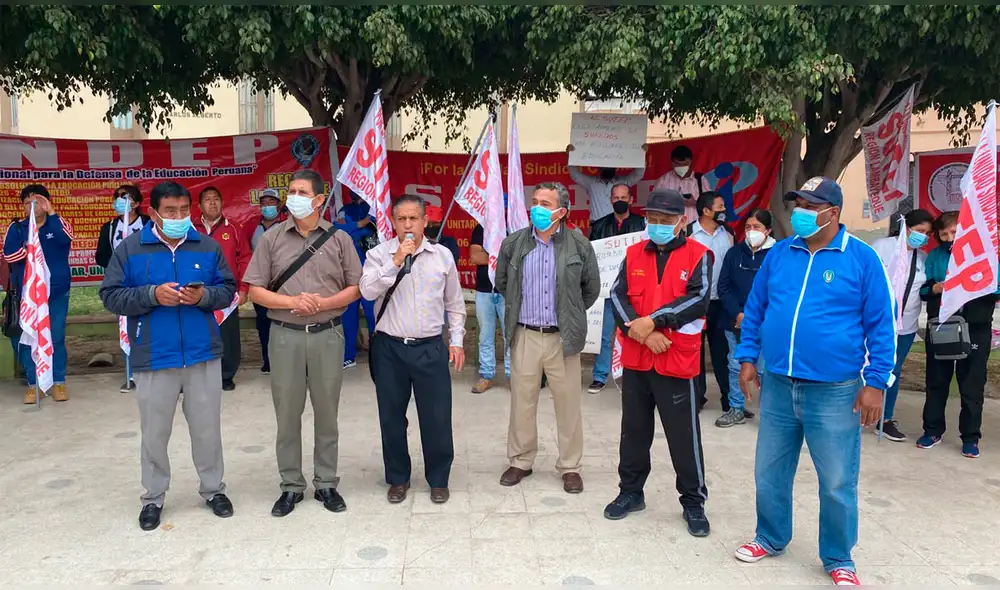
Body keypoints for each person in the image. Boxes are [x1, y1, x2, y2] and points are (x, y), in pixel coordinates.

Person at [731, 177, 895, 587]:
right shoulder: (781, 254)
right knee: (769, 470)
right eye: (797, 204)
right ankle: (770, 537)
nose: (799, 212)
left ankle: (838, 556)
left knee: (838, 479)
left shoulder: (861, 259)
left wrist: (876, 383)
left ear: (832, 213)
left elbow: (881, 324)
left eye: (809, 205)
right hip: (779, 385)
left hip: (835, 391)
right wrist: (748, 356)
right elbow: (756, 308)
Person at [99, 180, 238, 531]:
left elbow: (228, 291)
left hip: (201, 354)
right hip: (153, 356)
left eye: (183, 211)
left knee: (207, 430)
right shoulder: (131, 249)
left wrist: (203, 296)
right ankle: (153, 497)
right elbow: (111, 296)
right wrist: (150, 295)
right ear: (153, 213)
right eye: (170, 212)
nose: (178, 217)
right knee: (154, 434)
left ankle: (213, 489)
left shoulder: (205, 246)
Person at [243, 169, 362, 518]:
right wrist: (292, 302)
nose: (293, 196)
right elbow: (255, 290)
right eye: (290, 190)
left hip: (328, 334)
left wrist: (324, 304)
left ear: (319, 200)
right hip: (284, 336)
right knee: (287, 415)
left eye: (300, 191)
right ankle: (291, 486)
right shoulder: (272, 238)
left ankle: (326, 482)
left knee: (327, 414)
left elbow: (356, 287)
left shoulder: (339, 239)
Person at [603, 189, 712, 537]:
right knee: (633, 432)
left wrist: (656, 320)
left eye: (666, 220)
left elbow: (698, 299)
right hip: (638, 359)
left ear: (682, 220)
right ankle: (630, 492)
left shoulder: (700, 255)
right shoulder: (634, 253)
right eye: (653, 219)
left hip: (675, 360)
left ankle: (693, 503)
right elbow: (618, 297)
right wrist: (643, 332)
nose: (658, 226)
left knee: (683, 436)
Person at [360, 194, 467, 504]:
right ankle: (397, 478)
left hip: (430, 348)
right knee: (391, 417)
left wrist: (457, 341)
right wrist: (395, 262)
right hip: (389, 349)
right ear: (393, 223)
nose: (408, 224)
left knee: (436, 416)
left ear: (425, 221)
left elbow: (455, 304)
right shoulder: (380, 254)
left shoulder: (442, 256)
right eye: (401, 219)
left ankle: (438, 478)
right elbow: (366, 291)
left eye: (413, 218)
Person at [495, 181, 600, 493]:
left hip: (562, 339)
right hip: (525, 334)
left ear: (561, 211)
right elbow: (503, 282)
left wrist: (569, 313)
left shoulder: (579, 246)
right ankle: (520, 461)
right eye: (536, 202)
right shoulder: (514, 243)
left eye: (545, 203)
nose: (537, 208)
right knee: (522, 403)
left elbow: (590, 289)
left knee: (568, 405)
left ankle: (570, 466)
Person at [916, 211, 998, 458]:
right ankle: (932, 431)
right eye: (944, 234)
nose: (950, 237)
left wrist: (975, 284)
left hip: (975, 329)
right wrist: (936, 287)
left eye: (954, 231)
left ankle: (970, 437)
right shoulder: (936, 257)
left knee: (971, 386)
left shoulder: (986, 255)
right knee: (937, 381)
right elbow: (923, 291)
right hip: (942, 327)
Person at [4, 184, 73, 404]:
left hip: (56, 292)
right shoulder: (16, 228)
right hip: (28, 296)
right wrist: (30, 248)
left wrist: (52, 214)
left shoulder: (57, 223)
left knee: (56, 337)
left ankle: (58, 382)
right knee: (27, 339)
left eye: (38, 201)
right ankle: (35, 384)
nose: (33, 206)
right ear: (22, 206)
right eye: (27, 202)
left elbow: (67, 239)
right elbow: (9, 256)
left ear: (47, 203)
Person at [872, 209, 934, 442]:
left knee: (893, 372)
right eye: (919, 231)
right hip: (876, 322)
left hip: (905, 327)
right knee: (862, 367)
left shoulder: (923, 258)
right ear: (906, 227)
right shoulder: (882, 246)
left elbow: (923, 290)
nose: (922, 236)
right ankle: (854, 412)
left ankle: (884, 419)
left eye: (927, 233)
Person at [715, 209, 774, 427]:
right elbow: (724, 286)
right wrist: (738, 313)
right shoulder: (734, 253)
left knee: (766, 368)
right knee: (735, 363)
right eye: (748, 227)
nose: (751, 231)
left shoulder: (777, 254)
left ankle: (769, 412)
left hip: (768, 323)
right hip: (736, 320)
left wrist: (758, 317)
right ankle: (736, 408)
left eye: (757, 227)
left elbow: (781, 290)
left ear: (768, 230)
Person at [587, 182, 646, 393]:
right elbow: (591, 256)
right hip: (607, 290)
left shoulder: (642, 224)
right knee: (604, 335)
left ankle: (635, 376)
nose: (619, 201)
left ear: (631, 200)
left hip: (634, 291)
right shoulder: (600, 225)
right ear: (610, 200)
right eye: (616, 198)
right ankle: (600, 376)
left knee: (636, 333)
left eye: (623, 197)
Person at [193, 186, 251, 391]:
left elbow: (244, 259)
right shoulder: (190, 229)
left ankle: (226, 375)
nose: (212, 203)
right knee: (197, 332)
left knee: (227, 334)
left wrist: (243, 288)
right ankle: (196, 375)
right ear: (199, 205)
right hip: (196, 291)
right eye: (207, 200)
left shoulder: (233, 228)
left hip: (226, 291)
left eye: (216, 199)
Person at [95, 184, 151, 392]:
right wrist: (119, 263)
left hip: (147, 282)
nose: (119, 201)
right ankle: (131, 373)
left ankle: (153, 369)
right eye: (117, 197)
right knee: (127, 328)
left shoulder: (148, 223)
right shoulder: (109, 228)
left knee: (150, 326)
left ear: (136, 203)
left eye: (125, 197)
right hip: (123, 286)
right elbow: (100, 256)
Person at [687, 191, 734, 412]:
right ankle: (696, 397)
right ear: (706, 211)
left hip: (721, 303)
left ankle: (729, 400)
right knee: (694, 351)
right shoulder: (689, 234)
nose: (724, 211)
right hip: (696, 302)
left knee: (722, 352)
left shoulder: (729, 233)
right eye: (720, 207)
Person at [335, 192, 378, 370]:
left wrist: (365, 222)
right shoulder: (346, 210)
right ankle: (348, 355)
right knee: (348, 315)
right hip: (350, 272)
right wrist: (363, 223)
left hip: (373, 271)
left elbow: (382, 229)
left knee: (373, 315)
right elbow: (339, 229)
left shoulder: (377, 209)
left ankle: (378, 354)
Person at [470, 222, 510, 393]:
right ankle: (486, 375)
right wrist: (503, 257)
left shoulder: (514, 228)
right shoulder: (481, 228)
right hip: (484, 290)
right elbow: (475, 257)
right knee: (485, 336)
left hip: (508, 291)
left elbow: (518, 258)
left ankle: (512, 376)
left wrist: (489, 255)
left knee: (511, 337)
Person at [251, 188, 284, 375]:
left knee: (282, 323)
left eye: (271, 202)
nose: (267, 206)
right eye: (264, 203)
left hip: (282, 285)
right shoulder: (252, 227)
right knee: (263, 323)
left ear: (279, 205)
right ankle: (268, 361)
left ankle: (284, 361)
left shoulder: (286, 225)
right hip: (261, 285)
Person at [566, 144, 646, 220]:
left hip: (618, 227)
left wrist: (642, 154)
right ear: (599, 168)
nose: (608, 167)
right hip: (596, 228)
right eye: (605, 166)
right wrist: (571, 156)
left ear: (616, 167)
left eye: (611, 166)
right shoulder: (591, 183)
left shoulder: (623, 182)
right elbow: (575, 175)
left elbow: (638, 174)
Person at [654, 145, 711, 222]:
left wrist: (695, 203)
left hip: (695, 228)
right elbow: (654, 205)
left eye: (685, 164)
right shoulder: (663, 181)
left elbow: (711, 204)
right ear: (672, 163)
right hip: (671, 228)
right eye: (678, 164)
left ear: (690, 162)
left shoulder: (700, 180)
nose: (681, 167)